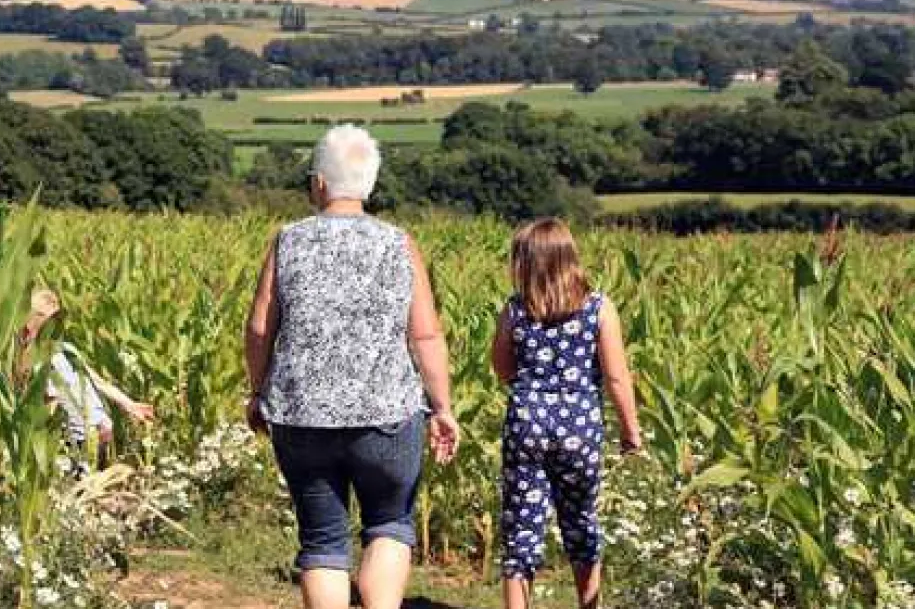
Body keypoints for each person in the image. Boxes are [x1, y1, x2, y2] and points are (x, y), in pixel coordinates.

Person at [244, 124, 461, 609]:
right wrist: (442, 407)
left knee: (322, 540)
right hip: (386, 416)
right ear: (370, 185)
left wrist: (258, 392)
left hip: (302, 417)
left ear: (319, 183)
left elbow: (260, 328)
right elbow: (424, 334)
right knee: (389, 525)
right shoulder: (398, 243)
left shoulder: (288, 240)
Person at [490, 218, 643, 609]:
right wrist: (631, 431)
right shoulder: (599, 308)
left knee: (521, 530)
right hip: (580, 427)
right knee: (581, 524)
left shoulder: (514, 311)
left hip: (526, 424)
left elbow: (503, 369)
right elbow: (616, 377)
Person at [23, 289, 155, 453]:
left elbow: (97, 381)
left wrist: (129, 404)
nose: (54, 326)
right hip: (76, 442)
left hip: (102, 434)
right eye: (46, 319)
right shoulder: (29, 360)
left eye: (57, 319)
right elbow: (45, 405)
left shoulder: (66, 350)